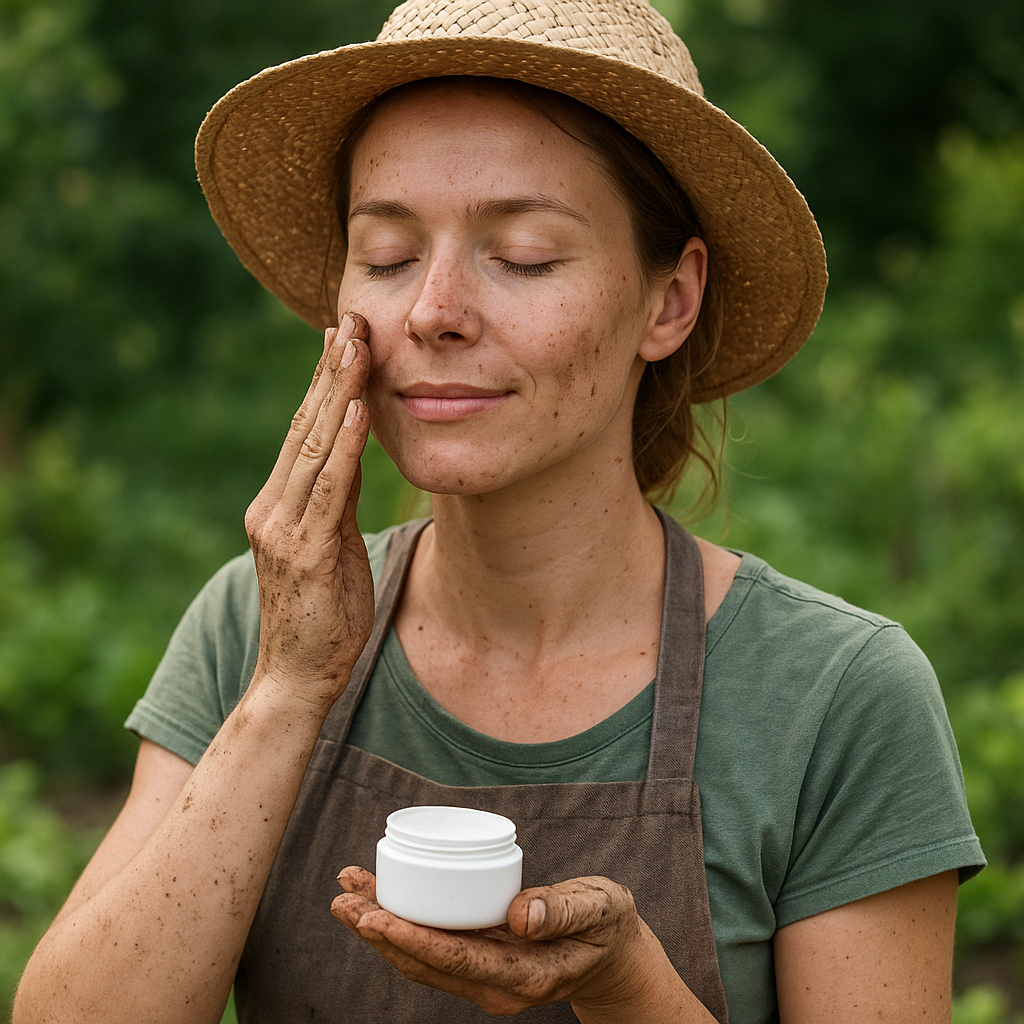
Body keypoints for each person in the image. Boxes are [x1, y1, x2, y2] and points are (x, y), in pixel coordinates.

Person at [14, 1, 984, 1022]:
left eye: (520, 254)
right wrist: (293, 684)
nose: (433, 310)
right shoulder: (247, 629)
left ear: (669, 300)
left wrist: (624, 987)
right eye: (386, 256)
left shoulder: (836, 700)